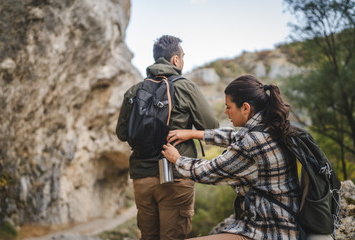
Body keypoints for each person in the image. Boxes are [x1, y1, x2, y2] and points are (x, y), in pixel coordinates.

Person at [162, 74, 301, 240]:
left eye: (228, 107)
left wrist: (177, 159)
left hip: (269, 231)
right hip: (283, 222)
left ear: (245, 108)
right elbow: (234, 137)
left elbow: (209, 171)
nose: (225, 111)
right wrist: (194, 133)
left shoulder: (252, 143)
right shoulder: (269, 127)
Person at [116, 35, 219, 240]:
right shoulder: (185, 86)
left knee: (148, 236)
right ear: (175, 60)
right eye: (182, 57)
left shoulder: (134, 91)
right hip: (176, 176)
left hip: (142, 177)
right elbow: (212, 127)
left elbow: (122, 133)